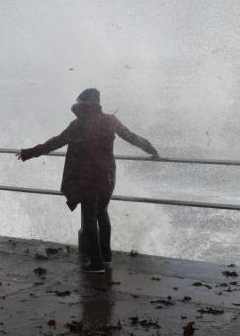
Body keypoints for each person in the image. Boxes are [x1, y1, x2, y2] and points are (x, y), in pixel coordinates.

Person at [17, 88, 159, 273]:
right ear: (97, 103)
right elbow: (132, 137)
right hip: (108, 176)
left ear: (83, 104)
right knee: (102, 213)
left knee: (90, 218)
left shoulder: (78, 125)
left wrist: (28, 153)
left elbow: (54, 143)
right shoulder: (110, 120)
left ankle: (96, 263)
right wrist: (152, 150)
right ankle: (106, 257)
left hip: (87, 179)